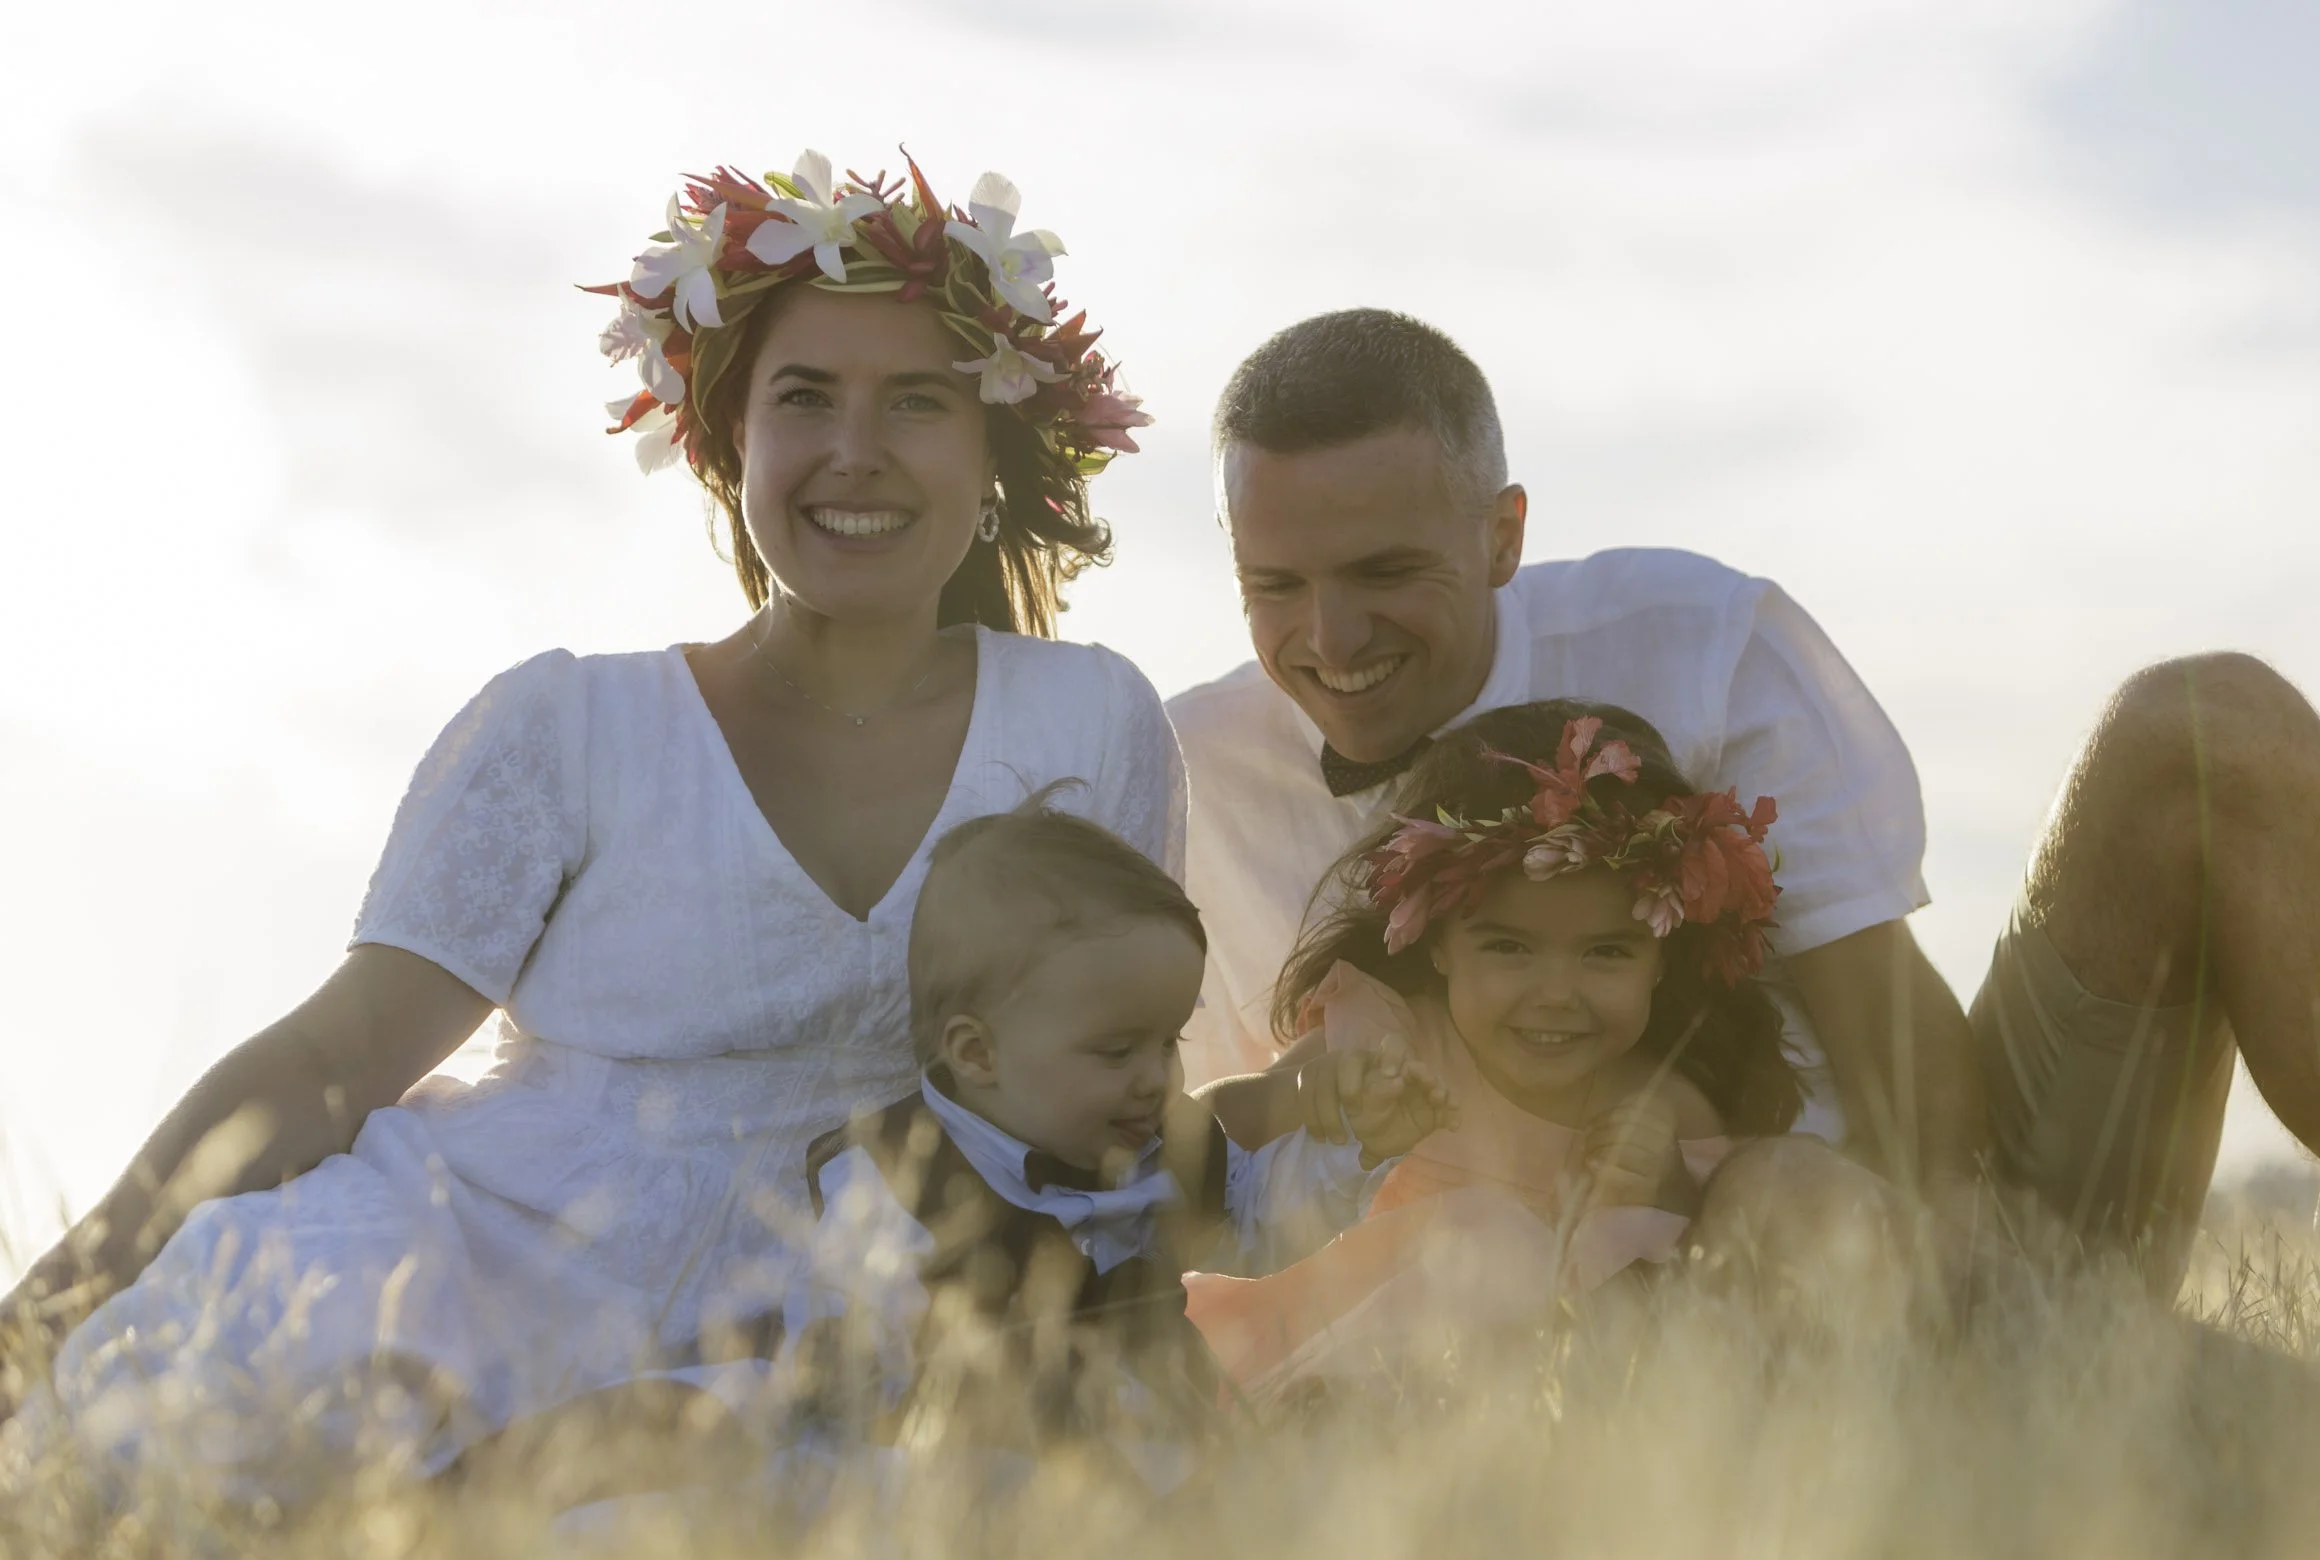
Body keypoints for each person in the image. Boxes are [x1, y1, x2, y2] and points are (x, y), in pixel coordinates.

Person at [0, 150, 1177, 1483]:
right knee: (217, 1463)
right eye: (805, 397)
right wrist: (41, 1311)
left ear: (992, 447)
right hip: (459, 1270)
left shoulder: (1087, 728)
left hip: (843, 1325)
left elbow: (1126, 1085)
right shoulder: (568, 727)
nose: (857, 450)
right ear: (733, 442)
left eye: (917, 401)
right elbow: (336, 1055)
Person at [1170, 307, 2320, 1353]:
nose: (1329, 640)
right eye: (1274, 586)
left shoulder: (1702, 644)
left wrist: (1943, 1288)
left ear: (1505, 532)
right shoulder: (1182, 773)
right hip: (1500, 1322)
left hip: (1882, 1205)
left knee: (2213, 723)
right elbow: (1151, 1151)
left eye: (1386, 573)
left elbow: (1907, 1066)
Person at [1184, 703, 1916, 1402]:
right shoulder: (1386, 1043)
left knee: (1787, 1185)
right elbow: (1197, 1144)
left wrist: (1659, 1184)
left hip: (1553, 1403)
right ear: (1435, 941)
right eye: (1509, 947)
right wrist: (1309, 1093)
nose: (1556, 993)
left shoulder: (1660, 1102)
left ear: (1663, 956)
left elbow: (1704, 1269)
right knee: (1487, 1240)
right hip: (1346, 1371)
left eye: (1605, 951)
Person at [783, 802, 1233, 1468]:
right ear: (976, 1053)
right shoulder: (897, 1177)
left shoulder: (1153, 1146)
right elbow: (838, 1359)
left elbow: (1261, 1210)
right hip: (979, 1466)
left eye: (1169, 1041)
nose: (1154, 1078)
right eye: (1117, 1051)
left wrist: (1339, 1128)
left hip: (1164, 1444)